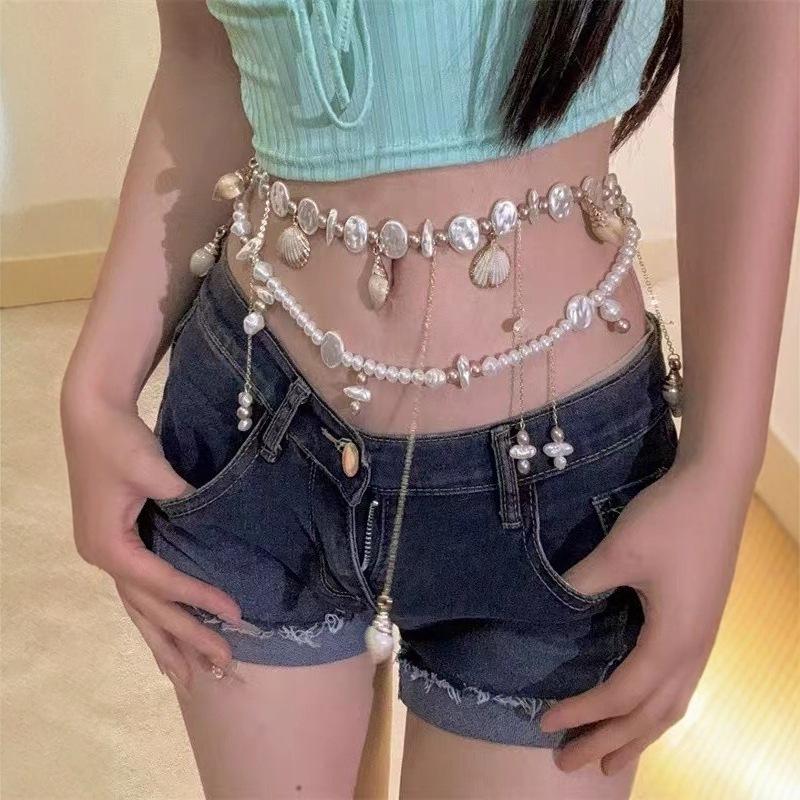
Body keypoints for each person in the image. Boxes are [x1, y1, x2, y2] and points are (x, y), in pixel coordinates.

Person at [61, 1, 798, 797]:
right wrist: (97, 386)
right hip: (253, 432)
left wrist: (722, 467)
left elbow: (752, 36)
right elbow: (205, 59)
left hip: (563, 488)